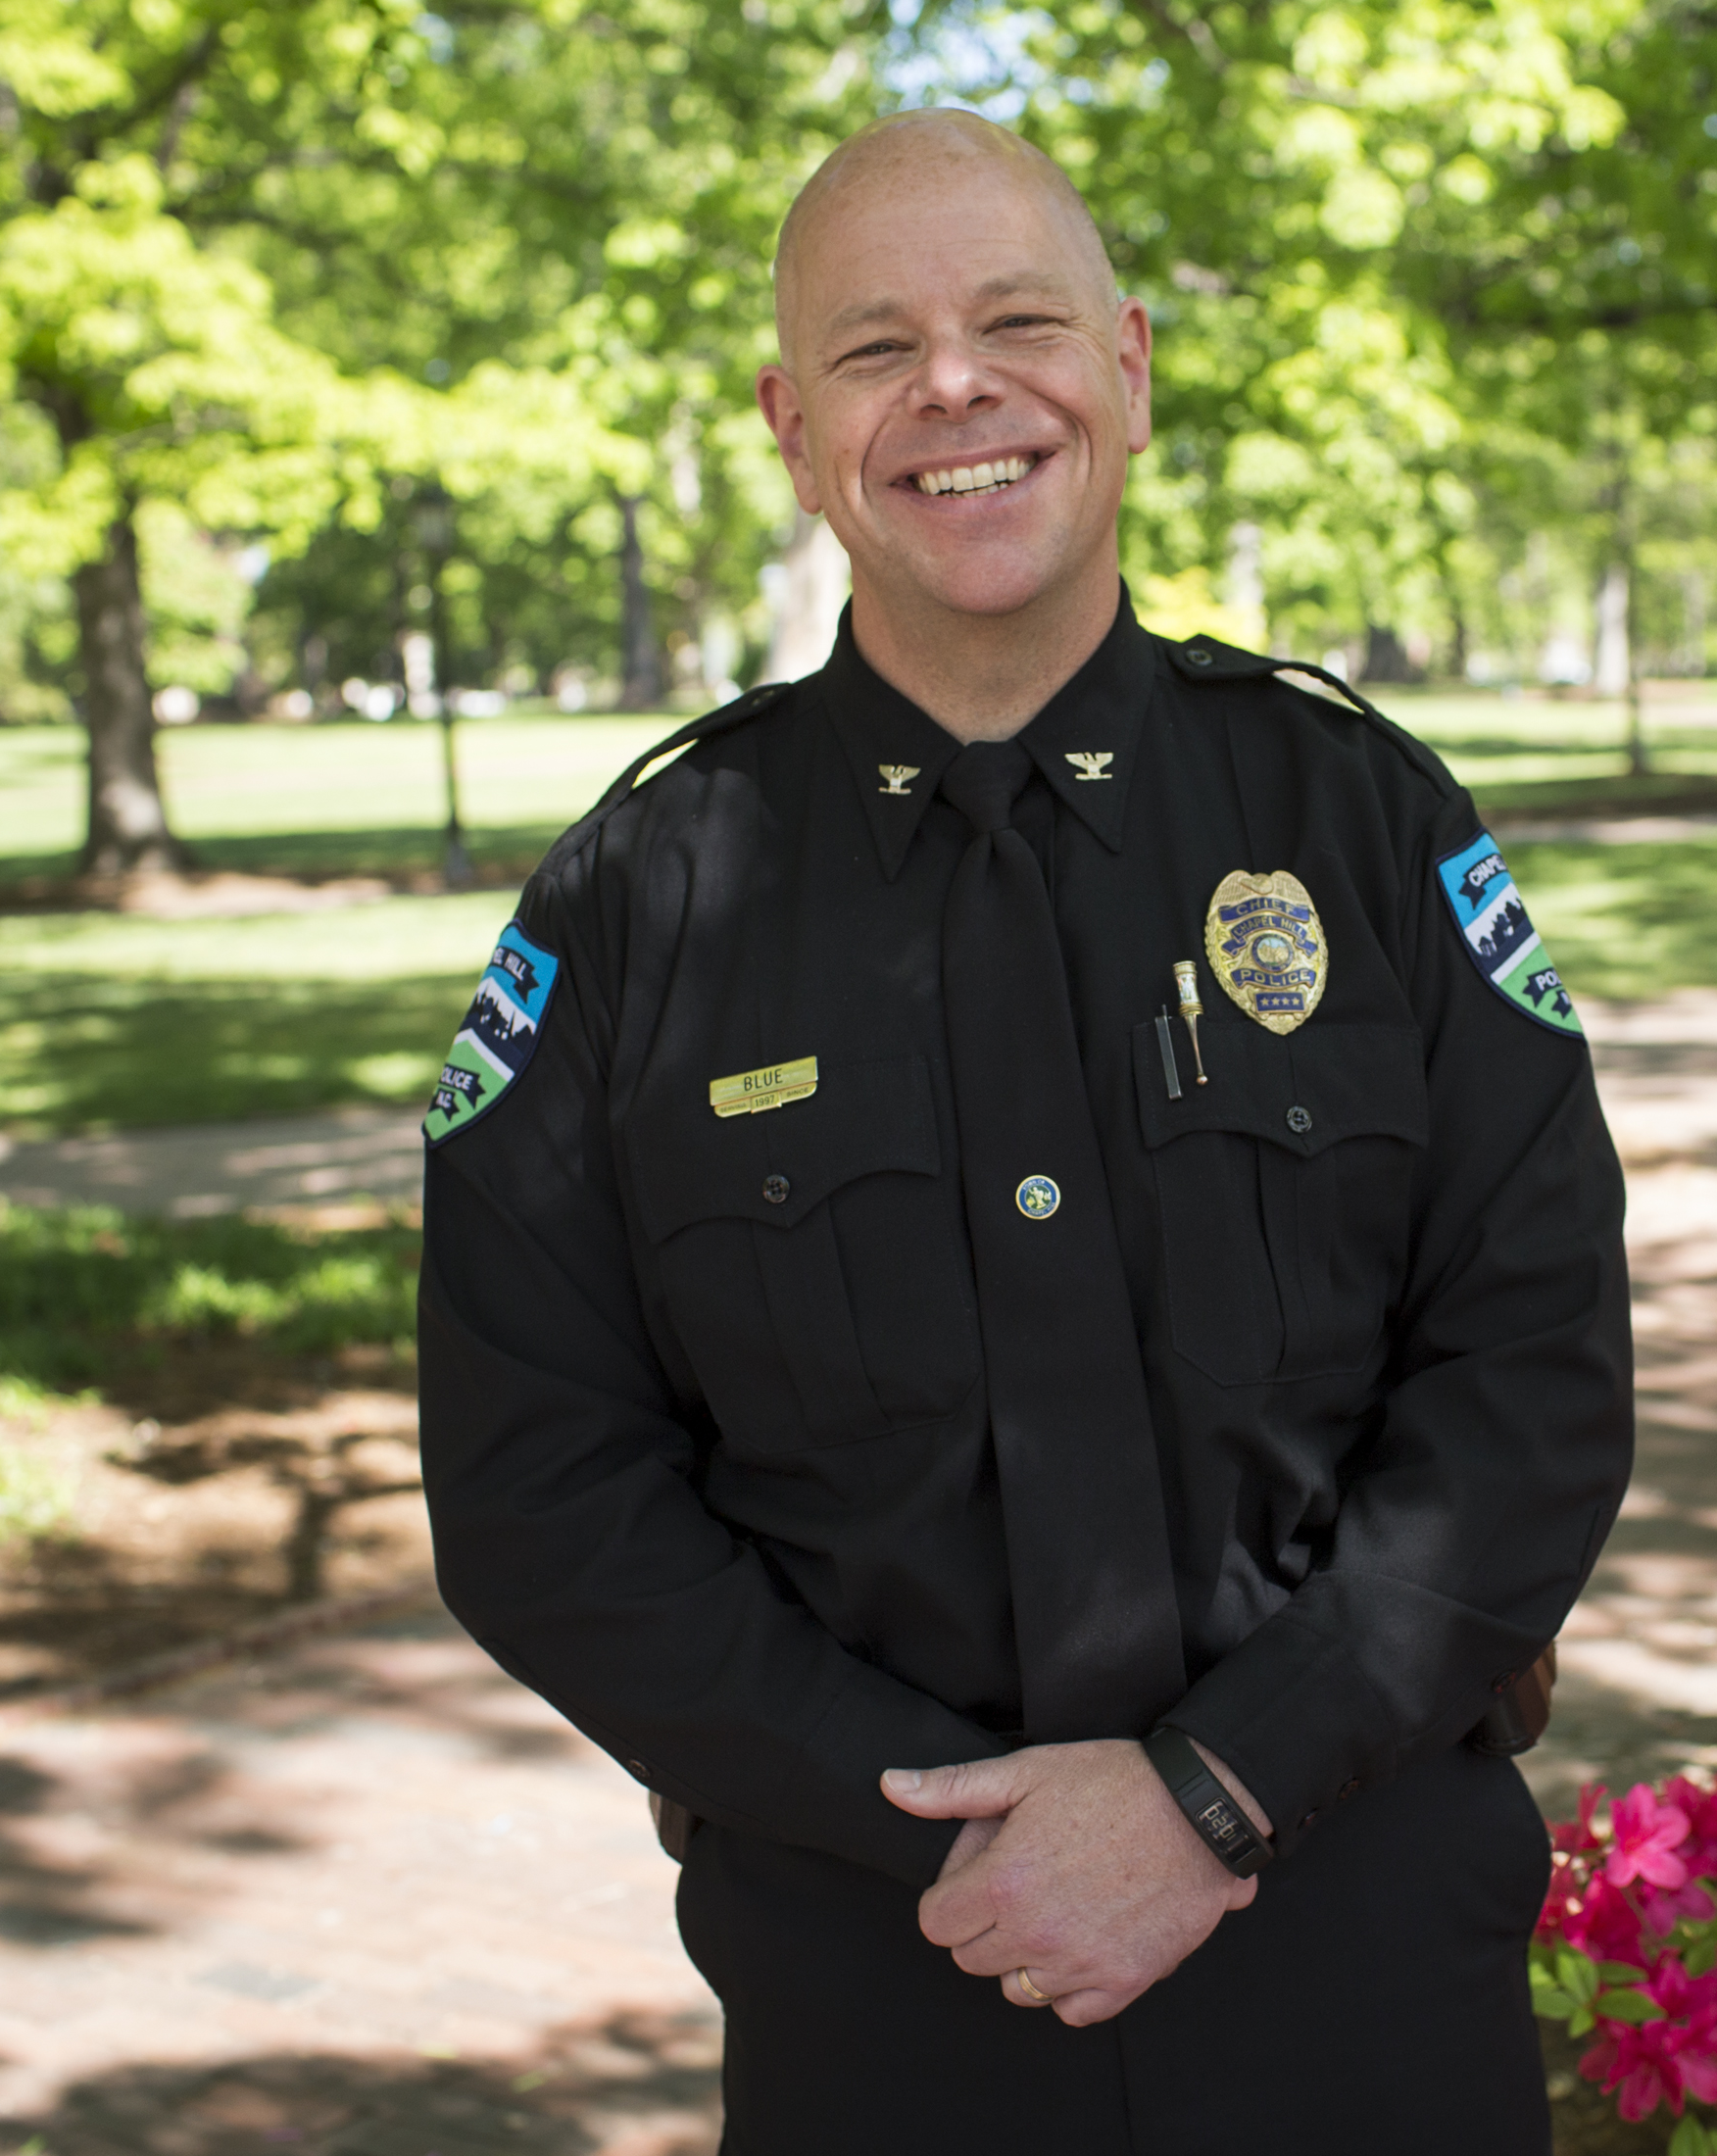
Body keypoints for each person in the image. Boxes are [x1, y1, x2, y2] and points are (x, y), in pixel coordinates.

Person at [416, 108, 1632, 2153]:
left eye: (1017, 320)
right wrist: (961, 1832)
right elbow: (539, 1483)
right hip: (892, 1984)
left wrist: (1211, 1790)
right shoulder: (642, 897)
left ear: (1131, 368)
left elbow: (1534, 1381)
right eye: (878, 349)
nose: (956, 385)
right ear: (797, 431)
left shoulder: (1362, 819)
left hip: (1359, 1952)